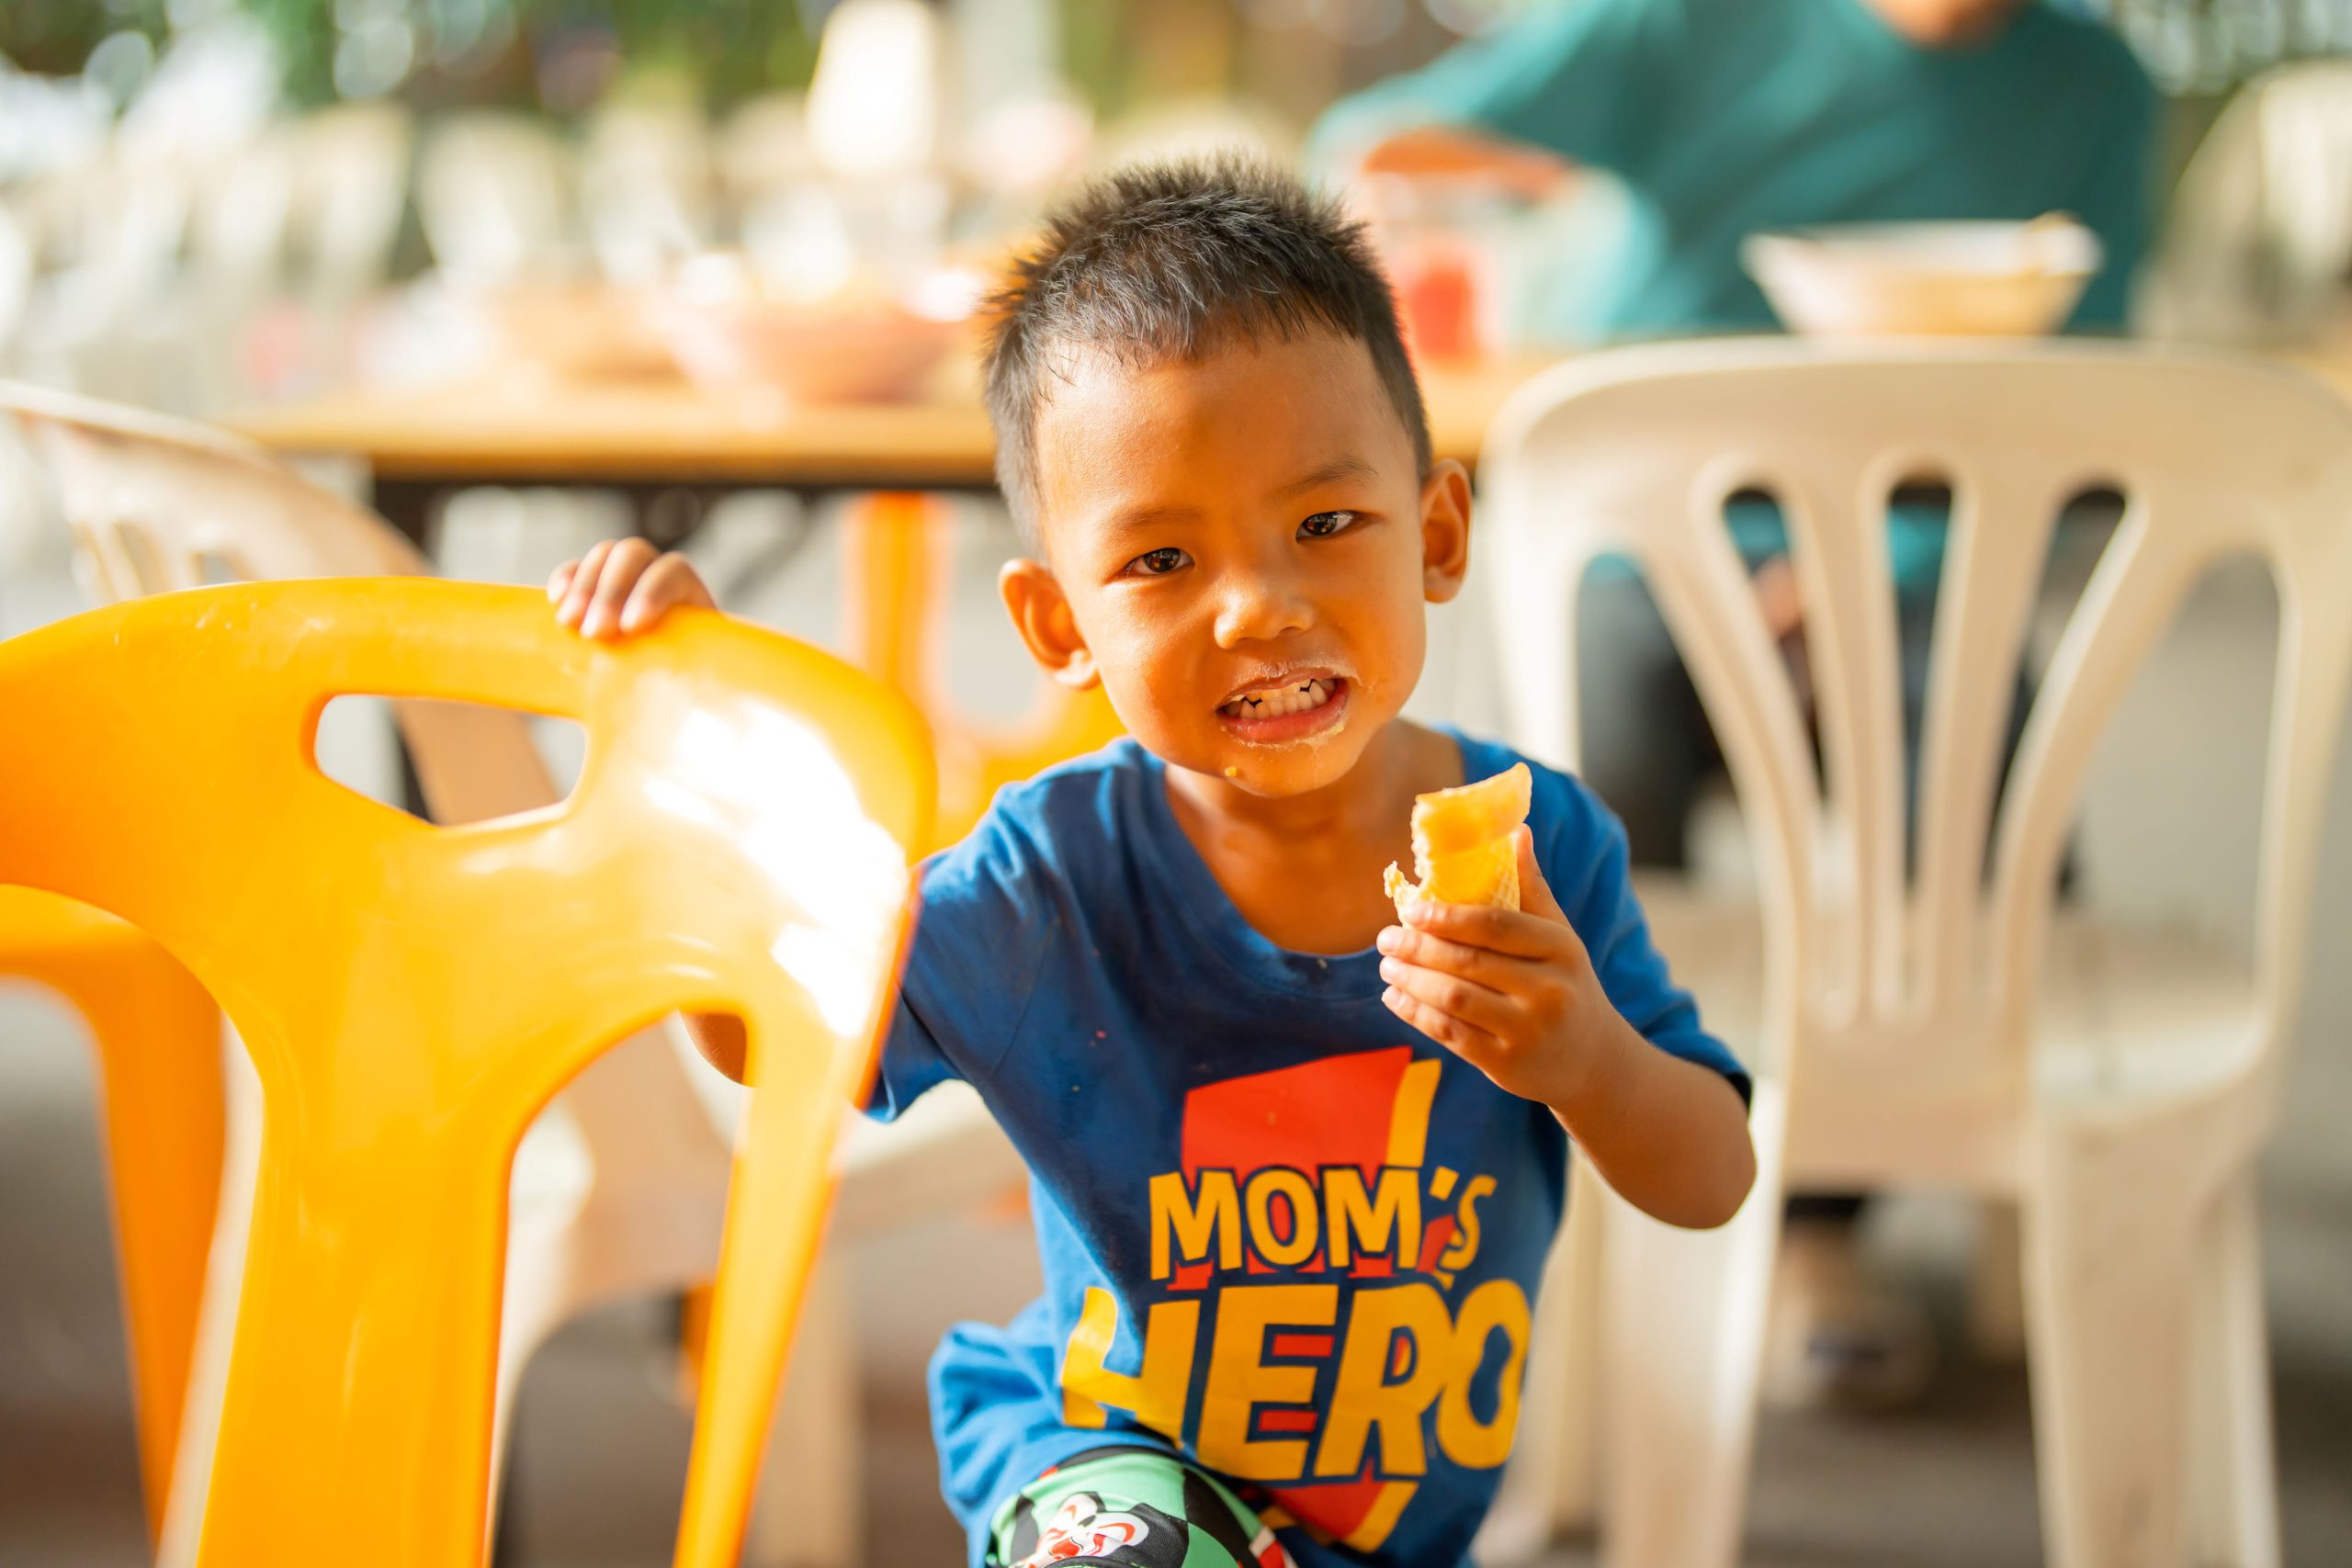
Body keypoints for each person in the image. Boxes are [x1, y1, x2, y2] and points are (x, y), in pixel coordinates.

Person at [548, 160, 1754, 1568]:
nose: (1259, 608)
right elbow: (773, 1036)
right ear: (1061, 627)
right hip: (1107, 1476)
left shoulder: (1540, 851)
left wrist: (1587, 1059)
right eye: (1164, 560)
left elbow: (1711, 1176)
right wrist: (701, 749)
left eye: (1324, 526)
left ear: (1434, 535)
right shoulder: (1047, 883)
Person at [1312, 0, 2156, 1406]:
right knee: (1584, 812)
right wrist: (1524, 178)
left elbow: (2091, 399)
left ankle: (1822, 1224)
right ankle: (1564, 1182)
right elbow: (1366, 142)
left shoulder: (2096, 87)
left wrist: (1846, 569)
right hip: (1653, 542)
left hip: (1917, 558)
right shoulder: (1680, 28)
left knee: (1973, 791)